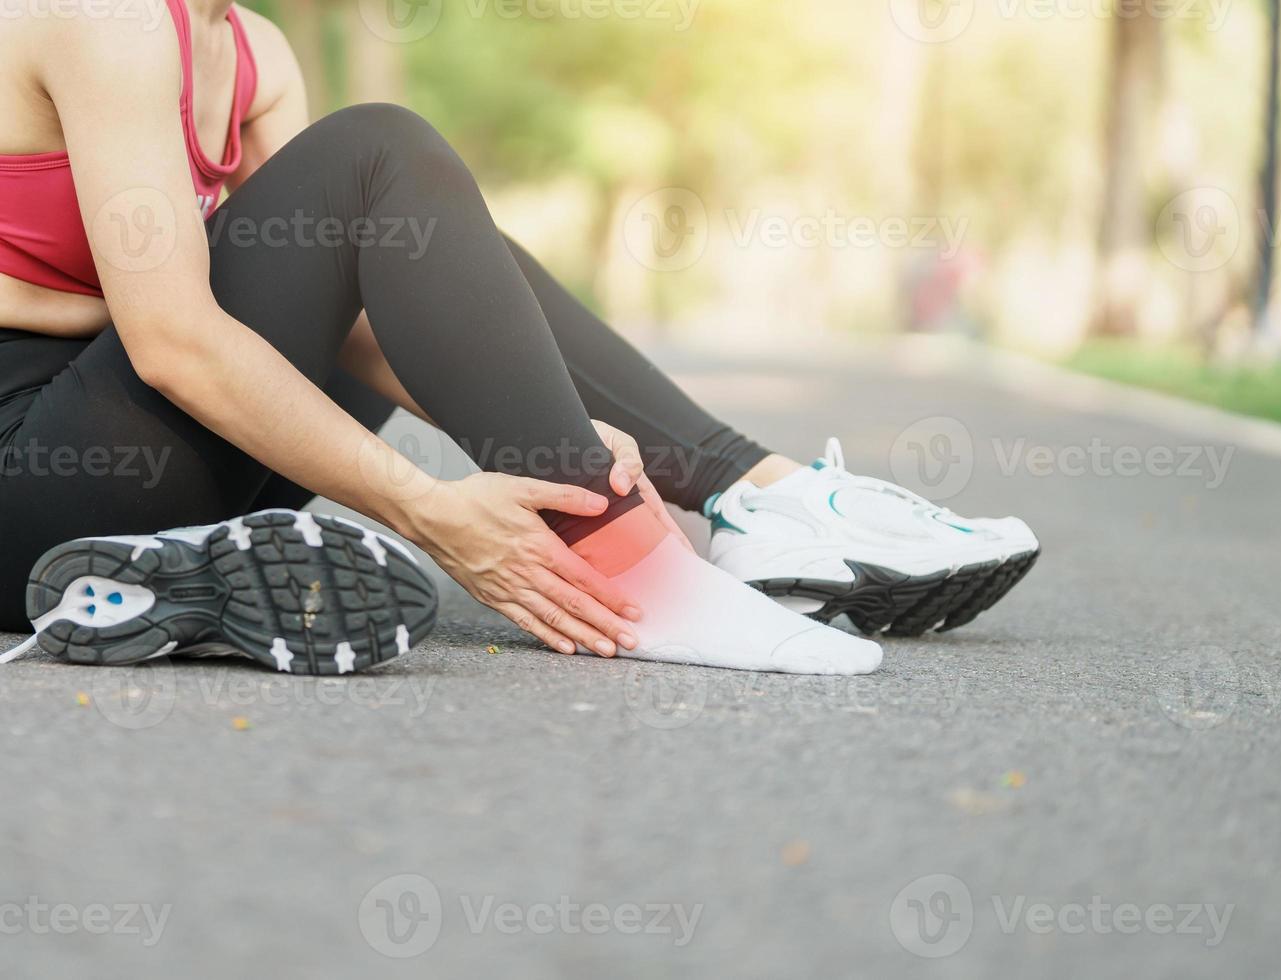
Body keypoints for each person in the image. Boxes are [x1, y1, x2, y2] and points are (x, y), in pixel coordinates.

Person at [0, 0, 1037, 675]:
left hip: (133, 457)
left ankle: (748, 493)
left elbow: (343, 312)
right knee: (379, 152)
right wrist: (431, 509)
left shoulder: (253, 52)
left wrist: (551, 419)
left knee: (382, 231)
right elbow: (175, 339)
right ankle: (639, 569)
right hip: (32, 469)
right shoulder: (102, 20)